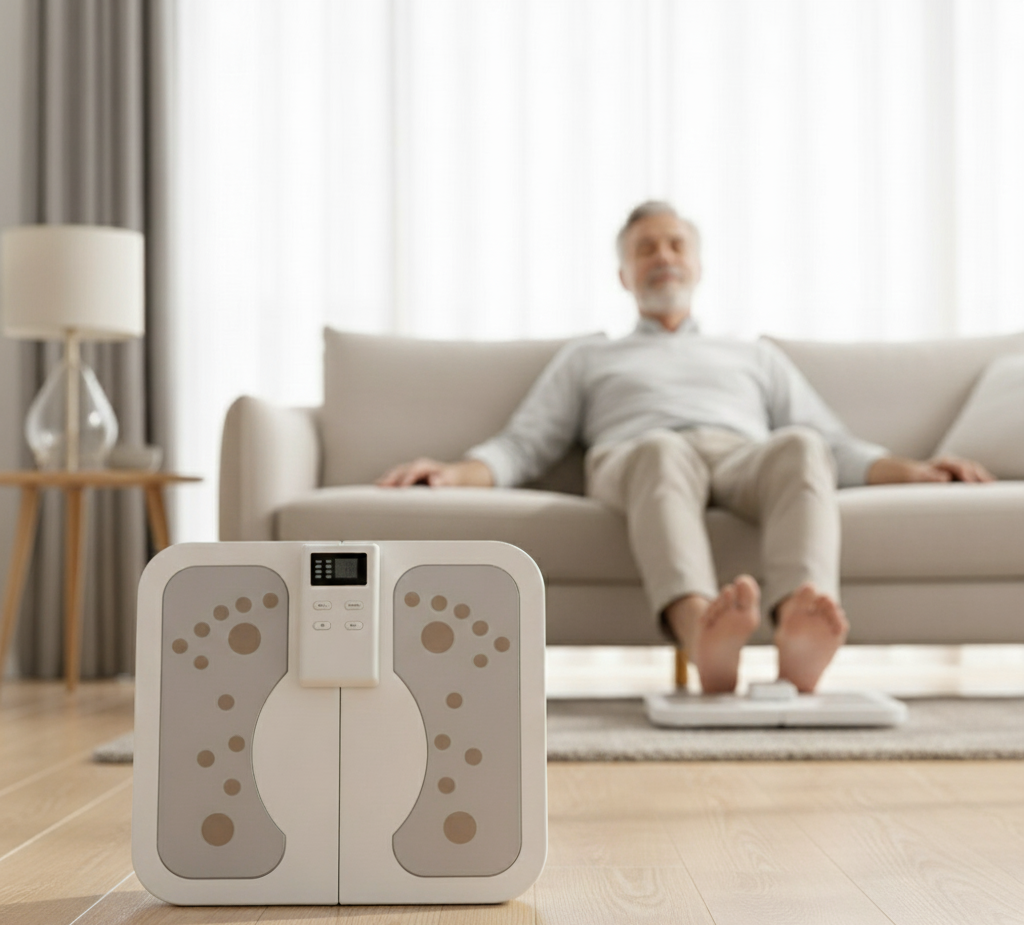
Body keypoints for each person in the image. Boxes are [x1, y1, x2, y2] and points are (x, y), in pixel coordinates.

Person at [378, 201, 994, 692]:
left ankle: (801, 626)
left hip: (739, 455)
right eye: (645, 248)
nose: (663, 257)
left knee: (801, 446)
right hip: (637, 456)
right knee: (661, 450)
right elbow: (525, 444)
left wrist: (913, 471)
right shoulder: (589, 356)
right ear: (624, 276)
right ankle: (701, 633)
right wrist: (454, 474)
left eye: (676, 245)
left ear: (697, 266)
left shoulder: (753, 355)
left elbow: (833, 444)